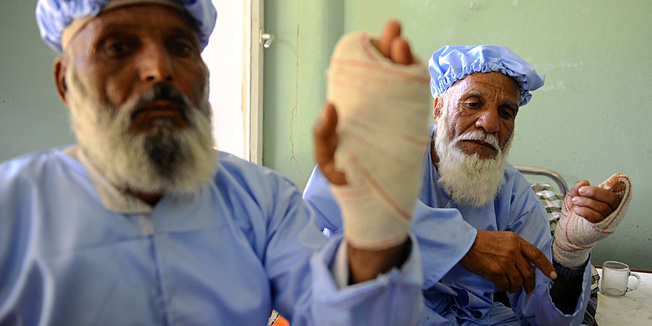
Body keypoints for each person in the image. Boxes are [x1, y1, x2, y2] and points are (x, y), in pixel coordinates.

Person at [0, 1, 430, 324]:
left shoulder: (261, 199)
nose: (158, 69)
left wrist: (376, 226)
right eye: (118, 47)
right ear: (65, 82)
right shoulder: (12, 210)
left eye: (180, 46)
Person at [304, 44, 632, 325]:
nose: (490, 123)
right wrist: (465, 244)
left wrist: (570, 253)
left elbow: (546, 316)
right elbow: (329, 196)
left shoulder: (514, 194)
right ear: (438, 109)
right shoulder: (388, 148)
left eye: (506, 112)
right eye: (473, 103)